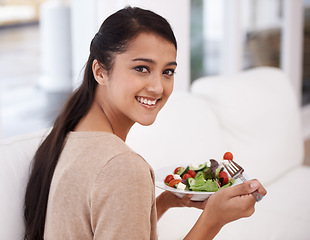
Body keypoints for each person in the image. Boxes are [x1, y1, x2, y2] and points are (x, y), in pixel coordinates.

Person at [24, 6, 267, 240]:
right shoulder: (122, 167)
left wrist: (161, 204)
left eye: (168, 71)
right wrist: (213, 220)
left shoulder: (68, 136)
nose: (157, 87)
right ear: (100, 72)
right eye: (141, 68)